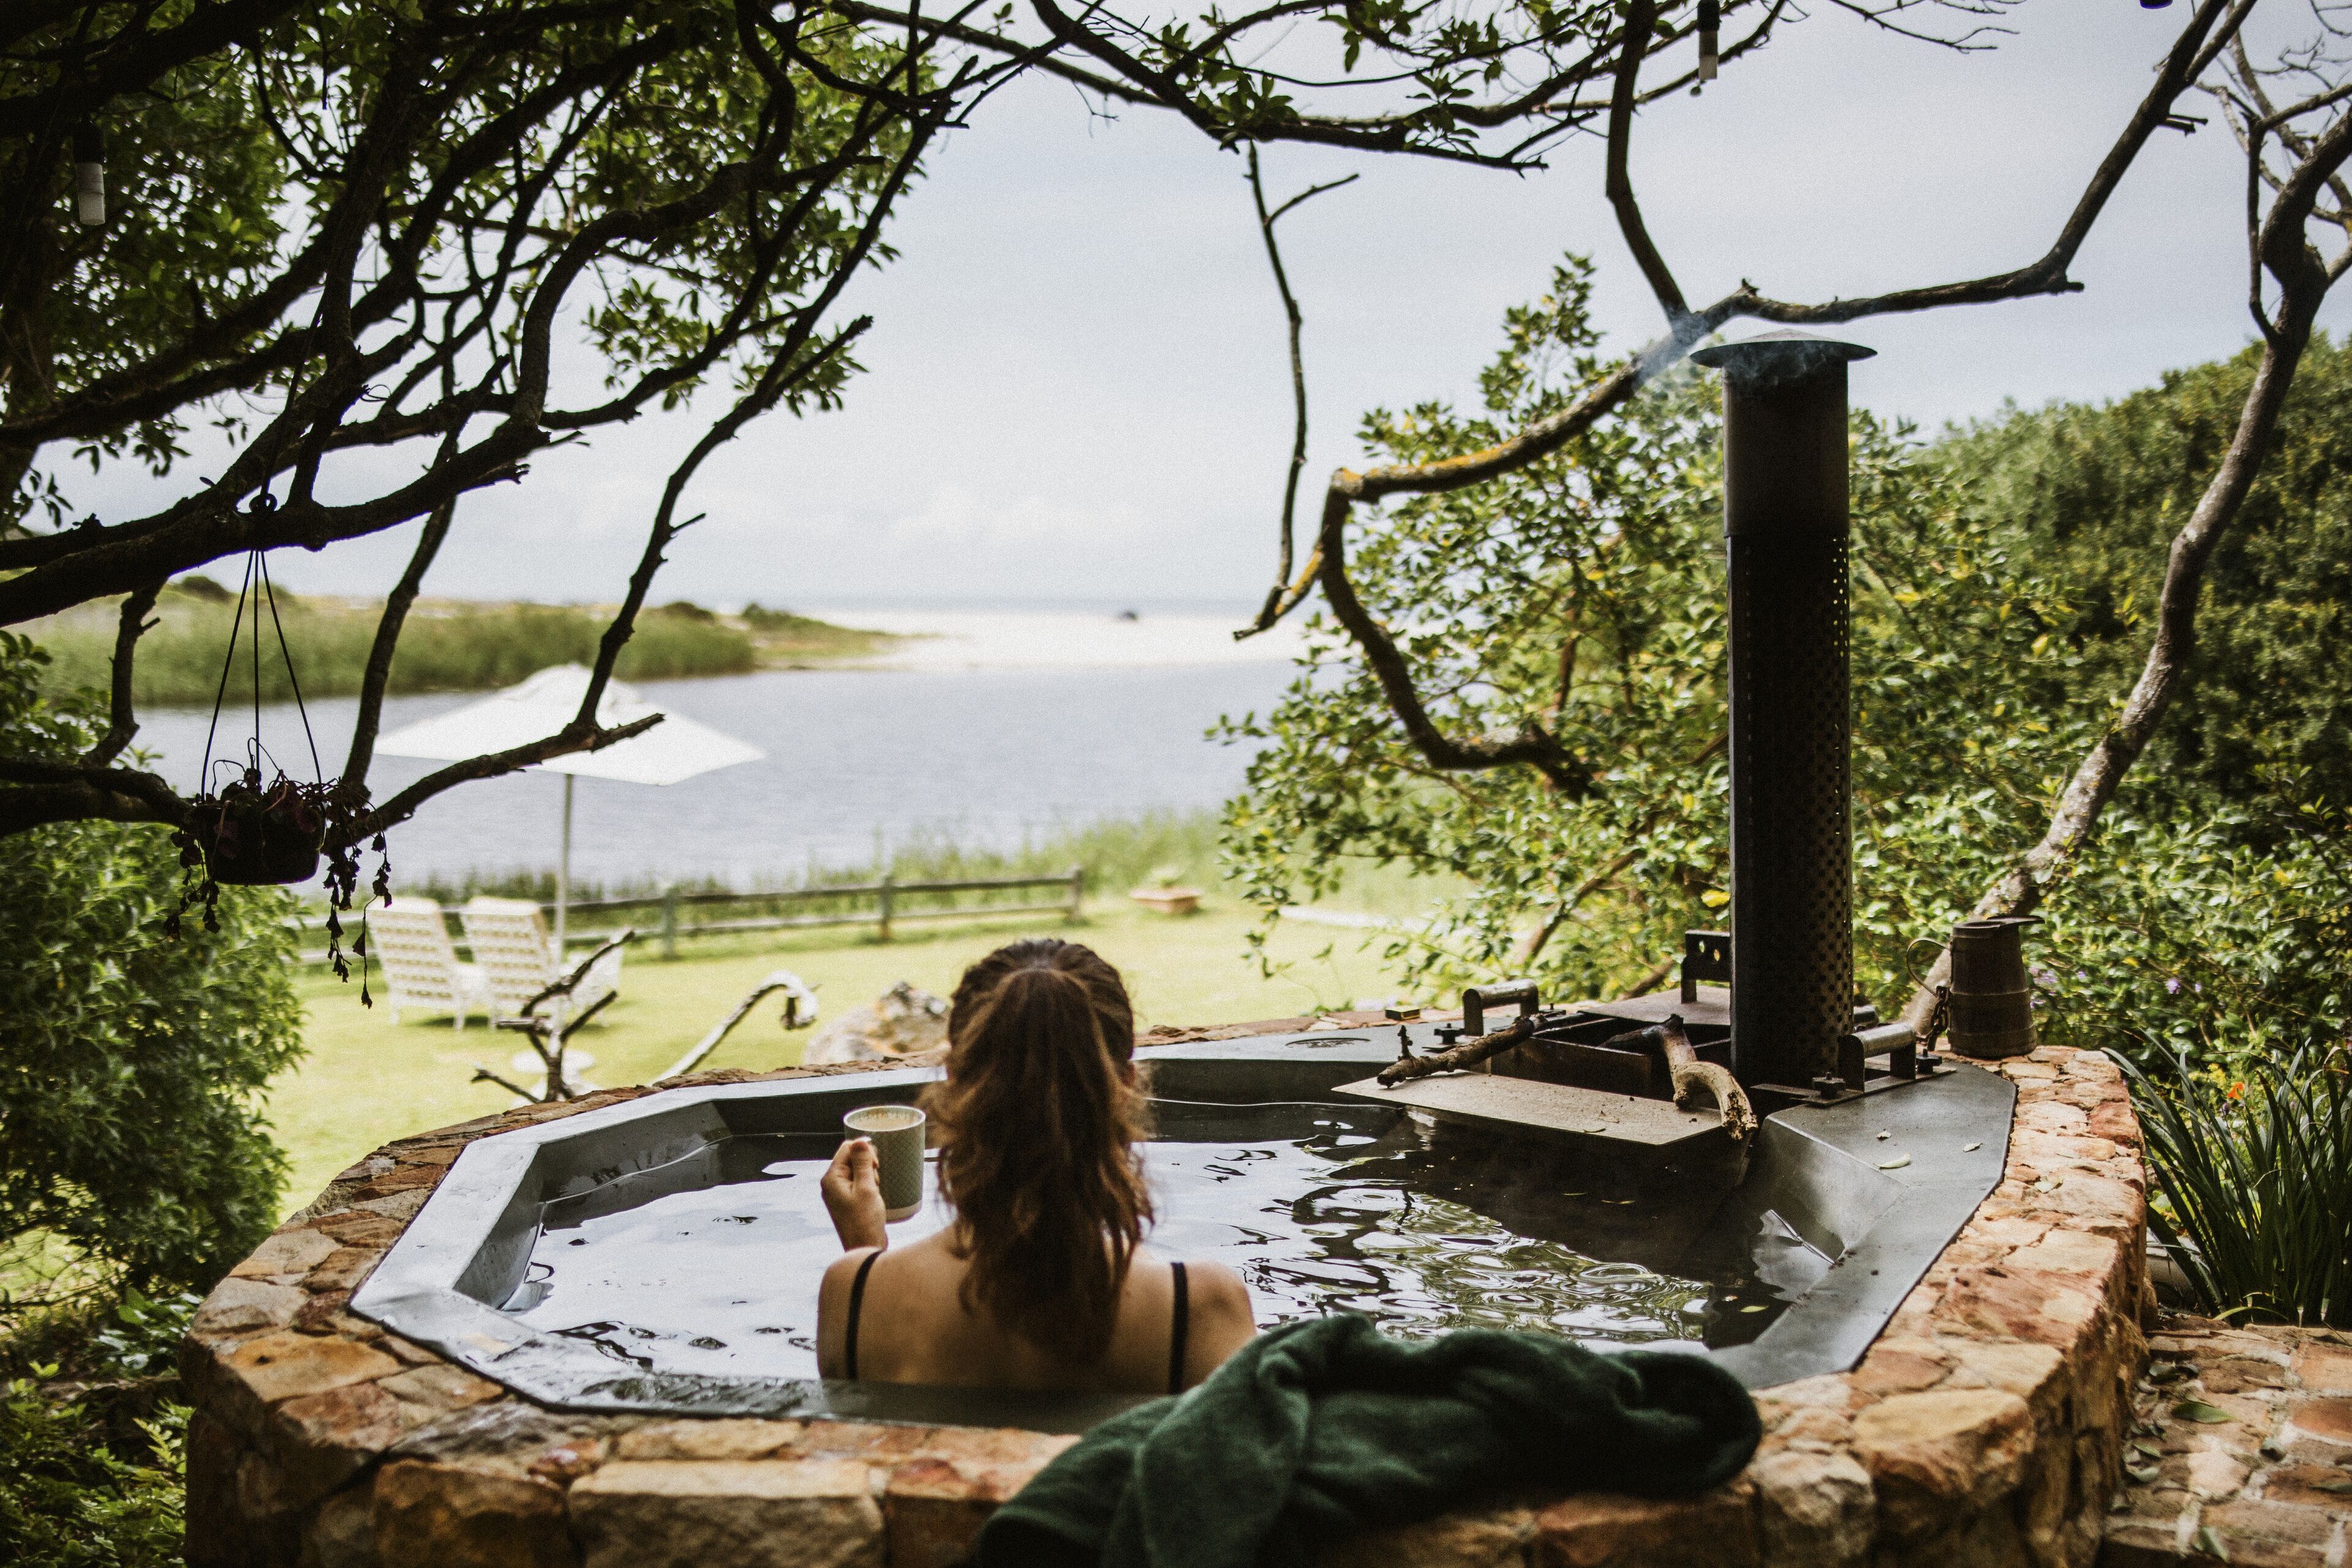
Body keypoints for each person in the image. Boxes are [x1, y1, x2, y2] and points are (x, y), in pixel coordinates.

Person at [816, 938, 1254, 1395]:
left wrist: (865, 1255)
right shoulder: (1198, 1308)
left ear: (954, 1084)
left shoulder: (853, 1295)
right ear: (1123, 1087)